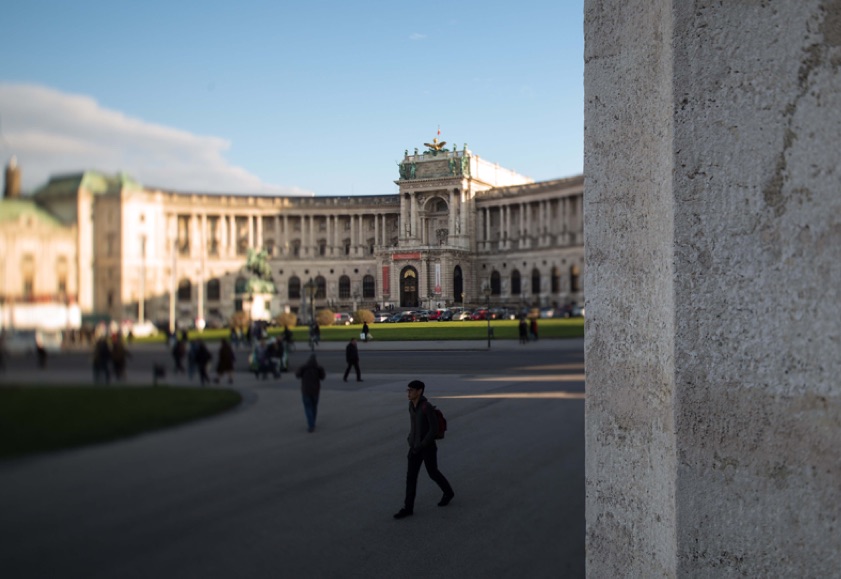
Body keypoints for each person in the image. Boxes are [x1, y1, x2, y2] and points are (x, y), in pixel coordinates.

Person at [393, 380, 455, 519]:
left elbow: (433, 429)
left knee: (433, 473)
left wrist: (422, 444)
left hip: (427, 448)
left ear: (419, 391)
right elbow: (413, 426)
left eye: (411, 390)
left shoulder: (427, 407)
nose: (408, 393)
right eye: (408, 390)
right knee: (411, 478)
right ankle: (408, 508)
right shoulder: (411, 406)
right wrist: (410, 439)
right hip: (414, 447)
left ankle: (448, 492)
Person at [295, 354, 325, 433]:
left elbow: (297, 375)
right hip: (315, 391)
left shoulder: (303, 367)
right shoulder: (319, 368)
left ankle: (311, 425)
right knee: (314, 407)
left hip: (306, 391)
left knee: (308, 408)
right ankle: (313, 422)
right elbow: (323, 377)